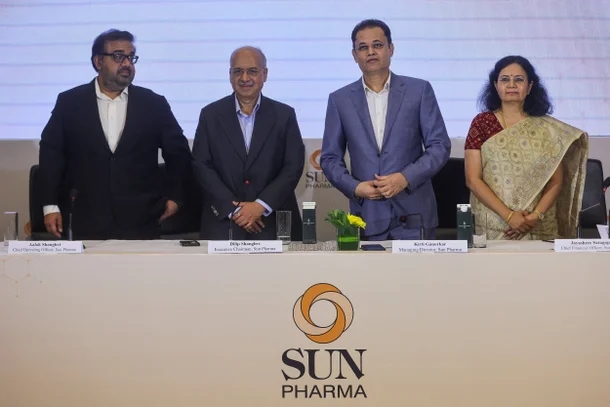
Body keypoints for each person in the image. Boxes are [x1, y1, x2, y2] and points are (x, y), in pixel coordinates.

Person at [39, 29, 192, 240]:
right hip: (85, 219)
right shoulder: (70, 102)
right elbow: (51, 155)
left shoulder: (153, 104)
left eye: (131, 57)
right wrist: (50, 205)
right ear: (98, 61)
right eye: (119, 57)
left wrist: (176, 197)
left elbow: (179, 154)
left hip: (142, 220)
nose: (127, 64)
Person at [320, 19, 451, 240]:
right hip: (368, 215)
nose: (371, 52)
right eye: (363, 47)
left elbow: (439, 146)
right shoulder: (339, 100)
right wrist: (356, 188)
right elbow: (330, 158)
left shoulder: (419, 90)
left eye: (378, 45)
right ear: (354, 55)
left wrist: (405, 178)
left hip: (415, 216)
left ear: (391, 49)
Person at [464, 55, 589, 240]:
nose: (512, 85)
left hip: (537, 225)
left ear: (529, 87)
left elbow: (556, 181)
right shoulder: (482, 123)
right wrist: (509, 216)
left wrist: (535, 216)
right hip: (494, 224)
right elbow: (473, 180)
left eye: (519, 79)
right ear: (496, 85)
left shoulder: (547, 129)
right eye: (505, 79)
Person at [192, 46, 305, 240]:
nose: (244, 78)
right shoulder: (210, 115)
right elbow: (201, 165)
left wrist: (261, 206)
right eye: (238, 71)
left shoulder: (284, 115)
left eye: (252, 71)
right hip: (224, 222)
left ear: (264, 74)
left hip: (273, 222)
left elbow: (292, 166)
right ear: (230, 75)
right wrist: (236, 211)